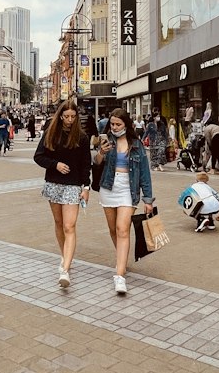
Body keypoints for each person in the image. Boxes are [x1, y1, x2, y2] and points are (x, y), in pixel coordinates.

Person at [94, 107, 155, 295]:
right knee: (113, 230)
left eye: (118, 124)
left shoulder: (136, 144)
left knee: (123, 229)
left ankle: (119, 275)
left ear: (126, 125)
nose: (114, 127)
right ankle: (122, 259)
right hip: (108, 187)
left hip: (128, 190)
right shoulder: (106, 141)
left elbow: (144, 172)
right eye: (112, 124)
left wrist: (148, 199)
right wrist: (101, 153)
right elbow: (95, 163)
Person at [33, 99, 92, 289]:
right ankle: (65, 256)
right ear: (60, 116)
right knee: (59, 223)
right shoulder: (51, 133)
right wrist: (55, 164)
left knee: (69, 226)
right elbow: (38, 156)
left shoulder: (81, 138)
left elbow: (86, 164)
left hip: (73, 185)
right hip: (53, 183)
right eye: (66, 116)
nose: (69, 120)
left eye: (73, 117)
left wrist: (86, 187)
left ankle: (65, 269)